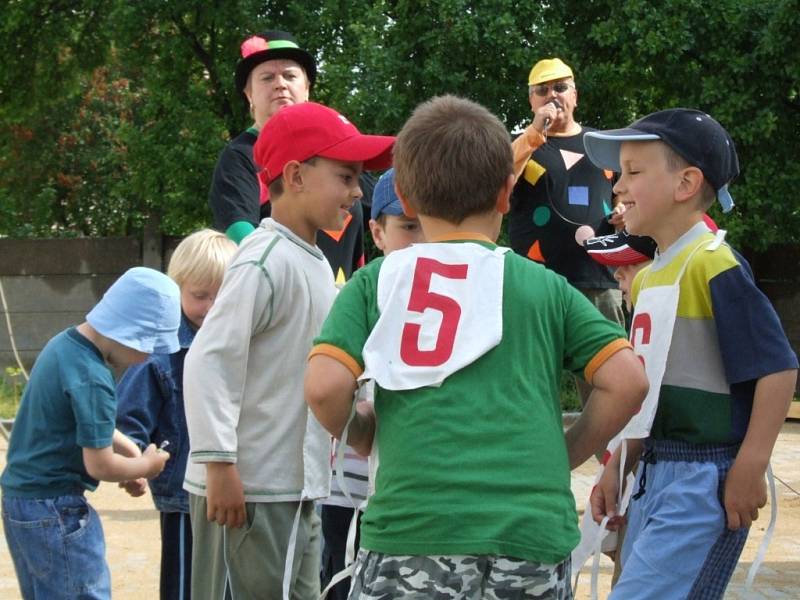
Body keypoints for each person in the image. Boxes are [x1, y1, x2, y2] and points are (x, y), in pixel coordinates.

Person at [305, 95, 648, 599]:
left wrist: (361, 434)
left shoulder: (374, 282)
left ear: (405, 194)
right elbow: (628, 380)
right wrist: (563, 454)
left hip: (409, 534)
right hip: (530, 538)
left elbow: (322, 387)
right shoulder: (546, 287)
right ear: (508, 193)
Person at [584, 108, 799, 599]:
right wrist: (619, 462)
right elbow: (651, 388)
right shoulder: (654, 273)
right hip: (655, 472)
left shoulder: (713, 264)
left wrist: (750, 464)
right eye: (619, 174)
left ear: (686, 184)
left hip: (703, 480)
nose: (618, 187)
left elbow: (779, 368)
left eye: (634, 172)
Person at [184, 101, 394, 600]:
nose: (356, 192)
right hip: (247, 488)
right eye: (346, 176)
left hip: (295, 487)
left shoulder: (316, 263)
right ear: (296, 176)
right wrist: (219, 467)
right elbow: (209, 361)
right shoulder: (262, 259)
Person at [0, 267, 178, 599]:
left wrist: (133, 455)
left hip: (21, 502)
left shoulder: (64, 346)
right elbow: (99, 465)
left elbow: (95, 427)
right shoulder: (94, 376)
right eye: (146, 346)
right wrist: (147, 467)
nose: (144, 359)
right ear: (129, 331)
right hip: (57, 510)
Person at [320, 168, 424, 600]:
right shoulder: (361, 293)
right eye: (408, 226)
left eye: (430, 224)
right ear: (377, 231)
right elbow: (326, 387)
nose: (422, 239)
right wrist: (358, 428)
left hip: (413, 488)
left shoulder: (459, 296)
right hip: (352, 488)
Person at [115, 230, 236, 600]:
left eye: (224, 295)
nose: (212, 307)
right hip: (184, 496)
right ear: (177, 289)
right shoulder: (160, 352)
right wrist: (133, 461)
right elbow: (128, 417)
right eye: (200, 296)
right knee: (185, 585)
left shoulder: (243, 340)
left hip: (237, 489)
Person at [208, 29, 370, 283]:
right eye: (267, 77)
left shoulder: (338, 154)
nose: (280, 84)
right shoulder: (239, 158)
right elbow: (244, 239)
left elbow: (391, 212)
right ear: (249, 95)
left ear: (306, 89)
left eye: (289, 75)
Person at [509, 58, 624, 405]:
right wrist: (534, 132)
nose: (552, 96)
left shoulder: (602, 144)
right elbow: (496, 182)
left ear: (576, 94)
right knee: (531, 382)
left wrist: (624, 211)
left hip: (599, 278)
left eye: (560, 87)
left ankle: (611, 455)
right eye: (542, 90)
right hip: (536, 284)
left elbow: (628, 192)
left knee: (608, 382)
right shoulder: (521, 144)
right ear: (531, 101)